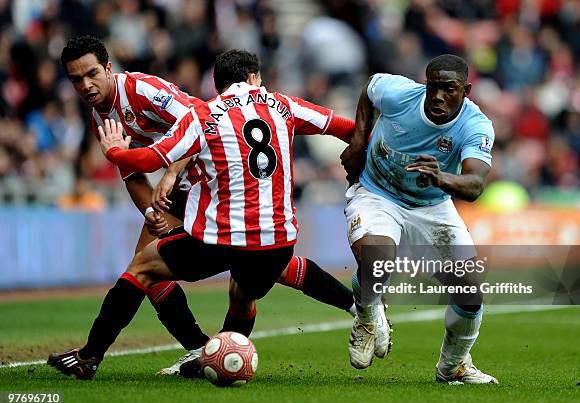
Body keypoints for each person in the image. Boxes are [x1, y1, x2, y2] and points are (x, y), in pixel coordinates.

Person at [50, 47, 356, 380]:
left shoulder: (141, 90)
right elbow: (132, 177)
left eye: (91, 74)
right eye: (76, 79)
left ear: (108, 68)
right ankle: (200, 349)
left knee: (166, 268)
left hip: (209, 184)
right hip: (183, 193)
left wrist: (169, 170)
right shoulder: (101, 118)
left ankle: (104, 355)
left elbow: (199, 115)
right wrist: (153, 212)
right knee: (153, 269)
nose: (85, 85)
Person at [341, 54, 498, 384]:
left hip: (432, 207)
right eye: (433, 88)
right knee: (376, 258)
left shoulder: (476, 125)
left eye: (449, 90)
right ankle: (368, 316)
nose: (439, 97)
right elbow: (369, 89)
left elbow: (475, 184)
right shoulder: (399, 94)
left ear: (466, 90)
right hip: (377, 194)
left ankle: (453, 366)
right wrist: (359, 139)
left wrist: (442, 179)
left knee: (469, 293)